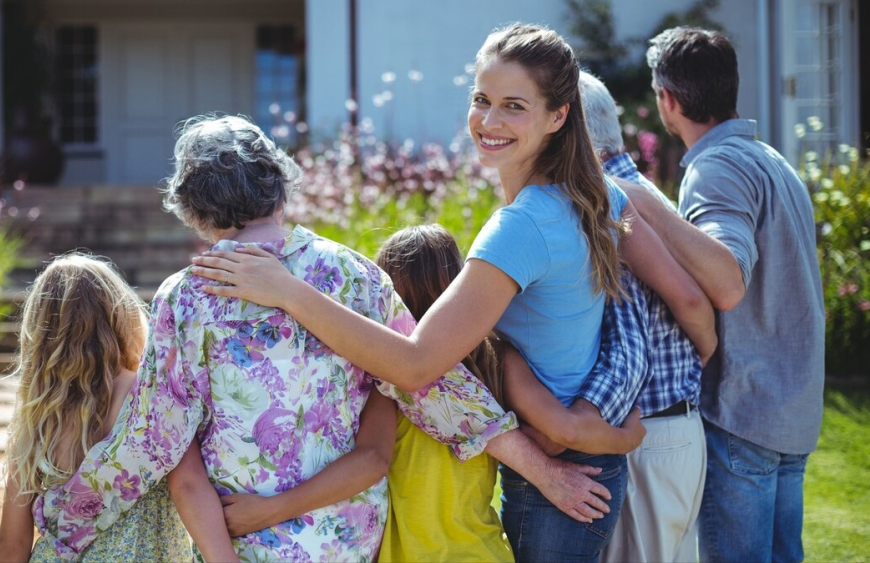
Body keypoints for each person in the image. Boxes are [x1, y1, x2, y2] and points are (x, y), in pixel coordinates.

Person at [191, 24, 714, 562]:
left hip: (556, 481)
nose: (489, 121)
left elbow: (415, 364)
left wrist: (289, 291)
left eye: (514, 106)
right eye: (481, 100)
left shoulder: (522, 227)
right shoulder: (590, 194)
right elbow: (687, 301)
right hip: (580, 459)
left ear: (558, 116)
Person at [32, 114, 615, 562]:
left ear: (194, 207)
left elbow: (153, 438)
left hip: (244, 535)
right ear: (278, 185)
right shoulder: (353, 275)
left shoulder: (187, 298)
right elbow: (433, 383)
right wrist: (544, 471)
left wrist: (64, 518)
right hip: (347, 535)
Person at [215, 223, 648, 563]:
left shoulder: (383, 380)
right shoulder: (497, 360)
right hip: (481, 553)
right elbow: (555, 434)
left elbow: (370, 458)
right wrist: (625, 437)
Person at [620, 27, 825, 563]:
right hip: (790, 409)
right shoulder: (771, 160)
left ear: (668, 99)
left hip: (744, 412)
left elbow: (729, 281)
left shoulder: (717, 168)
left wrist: (644, 200)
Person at [0, 253, 237, 563]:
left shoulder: (36, 418)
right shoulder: (150, 398)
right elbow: (188, 486)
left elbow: (12, 541)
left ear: (39, 332)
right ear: (122, 316)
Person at [579, 70, 709, 563]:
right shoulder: (647, 191)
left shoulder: (609, 199)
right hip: (672, 427)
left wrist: (707, 348)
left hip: (649, 430)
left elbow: (690, 301)